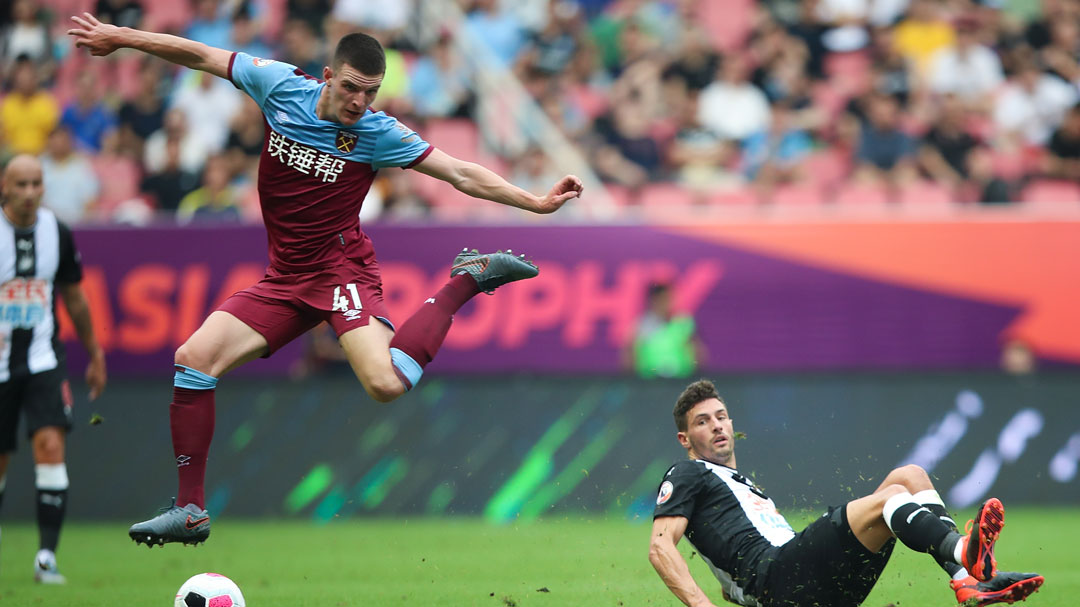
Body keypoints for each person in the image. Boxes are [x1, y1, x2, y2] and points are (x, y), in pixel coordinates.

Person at [66, 12, 583, 547]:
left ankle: (465, 281)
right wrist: (120, 37)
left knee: (385, 384)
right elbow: (199, 54)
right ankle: (191, 509)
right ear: (328, 75)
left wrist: (535, 202)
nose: (360, 102)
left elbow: (458, 170)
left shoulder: (377, 132)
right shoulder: (279, 85)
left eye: (372, 92)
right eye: (353, 88)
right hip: (285, 276)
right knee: (194, 360)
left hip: (340, 270)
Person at [648, 380, 1045, 607]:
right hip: (782, 577)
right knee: (889, 498)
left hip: (805, 589)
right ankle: (963, 553)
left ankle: (966, 579)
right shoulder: (688, 472)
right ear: (685, 438)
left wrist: (736, 590)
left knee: (909, 475)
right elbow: (660, 547)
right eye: (703, 422)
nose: (716, 426)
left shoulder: (740, 488)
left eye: (720, 417)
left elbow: (729, 576)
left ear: (732, 423)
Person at [0, 155, 107, 583]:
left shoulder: (55, 231)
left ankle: (46, 557)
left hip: (44, 358)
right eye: (20, 184)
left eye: (36, 184)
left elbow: (75, 297)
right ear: (4, 188)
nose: (29, 193)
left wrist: (95, 353)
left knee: (50, 446)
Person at [626, 283, 704, 380]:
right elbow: (630, 354)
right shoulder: (642, 325)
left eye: (667, 299)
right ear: (653, 300)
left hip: (680, 379)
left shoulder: (682, 322)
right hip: (650, 381)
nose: (665, 303)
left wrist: (696, 374)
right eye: (661, 299)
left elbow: (696, 351)